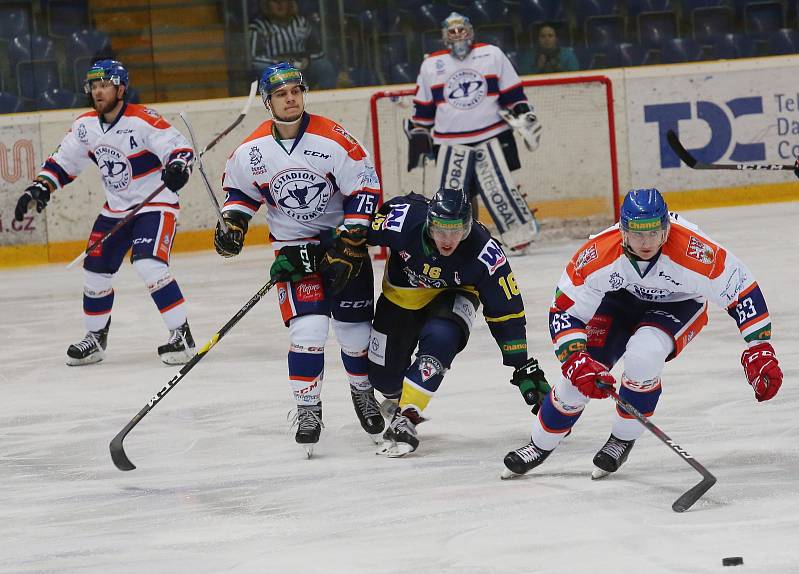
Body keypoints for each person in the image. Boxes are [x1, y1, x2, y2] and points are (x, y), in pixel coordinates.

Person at [501, 188, 783, 478]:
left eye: (654, 232)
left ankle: (621, 439)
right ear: (623, 231)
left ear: (667, 229)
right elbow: (564, 310)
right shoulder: (599, 253)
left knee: (644, 354)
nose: (646, 242)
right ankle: (540, 445)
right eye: (637, 233)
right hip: (620, 300)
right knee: (578, 376)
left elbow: (741, 288)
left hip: (680, 304)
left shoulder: (694, 251)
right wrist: (575, 358)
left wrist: (758, 346)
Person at [214, 62, 383, 456]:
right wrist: (233, 226)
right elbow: (240, 196)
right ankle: (308, 409)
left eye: (296, 91)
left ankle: (364, 395)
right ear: (268, 101)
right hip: (293, 252)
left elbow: (365, 189)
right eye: (281, 94)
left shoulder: (333, 139)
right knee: (306, 333)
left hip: (342, 246)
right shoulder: (252, 150)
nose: (291, 98)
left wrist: (352, 240)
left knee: (355, 335)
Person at [14, 59, 196, 367]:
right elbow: (63, 161)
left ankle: (182, 335)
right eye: (94, 87)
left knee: (149, 264)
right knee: (94, 269)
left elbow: (178, 148)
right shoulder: (86, 126)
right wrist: (40, 187)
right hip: (116, 210)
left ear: (121, 88)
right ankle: (95, 339)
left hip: (154, 205)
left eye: (105, 85)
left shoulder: (142, 120)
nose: (98, 92)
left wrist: (178, 166)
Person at [364, 188, 551, 457]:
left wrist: (521, 364)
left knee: (442, 338)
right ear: (429, 223)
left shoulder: (485, 252)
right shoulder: (403, 220)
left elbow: (505, 310)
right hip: (402, 297)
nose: (448, 239)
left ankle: (408, 415)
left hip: (455, 295)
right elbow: (353, 235)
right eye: (440, 229)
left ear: (468, 227)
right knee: (384, 379)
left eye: (456, 230)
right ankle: (398, 398)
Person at [410, 12, 540, 226]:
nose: (458, 35)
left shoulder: (492, 54)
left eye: (462, 30)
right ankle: (469, 234)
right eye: (452, 31)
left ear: (471, 32)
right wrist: (421, 135)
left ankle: (520, 232)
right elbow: (424, 109)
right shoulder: (431, 64)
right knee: (459, 196)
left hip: (494, 135)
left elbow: (513, 94)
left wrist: (524, 113)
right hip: (451, 143)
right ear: (444, 36)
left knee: (501, 186)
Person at [249, 0, 337, 90]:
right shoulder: (258, 26)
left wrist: (308, 60)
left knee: (324, 65)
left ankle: (328, 96)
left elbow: (318, 50)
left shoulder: (301, 22)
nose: (280, 4)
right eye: (275, 1)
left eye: (284, 1)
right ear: (267, 4)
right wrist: (280, 64)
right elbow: (254, 58)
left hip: (302, 64)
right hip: (275, 68)